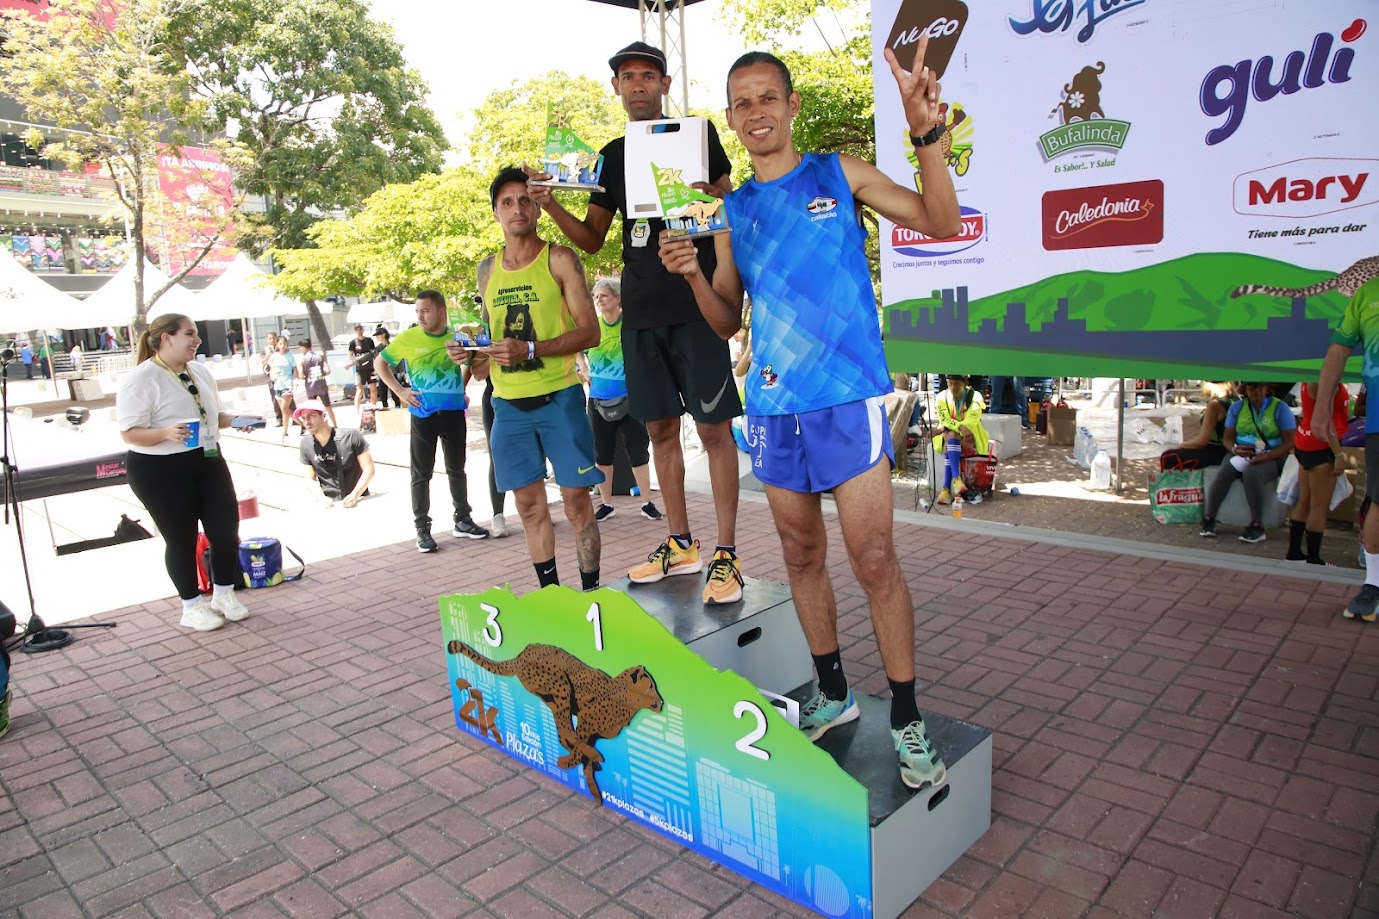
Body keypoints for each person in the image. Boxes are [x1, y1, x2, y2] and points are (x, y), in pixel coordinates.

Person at [659, 42, 960, 790]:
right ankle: (832, 691)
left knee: (874, 559)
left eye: (768, 97)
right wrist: (693, 273)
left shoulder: (838, 172)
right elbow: (726, 320)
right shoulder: (731, 211)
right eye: (742, 102)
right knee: (799, 556)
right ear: (731, 119)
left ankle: (907, 717)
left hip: (847, 399)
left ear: (791, 105)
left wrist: (925, 135)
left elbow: (940, 220)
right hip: (772, 407)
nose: (756, 111)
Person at [529, 40, 743, 606]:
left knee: (715, 431)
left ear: (665, 84)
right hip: (641, 313)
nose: (639, 85)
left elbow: (732, 207)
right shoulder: (611, 155)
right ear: (616, 87)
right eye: (629, 77)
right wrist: (550, 204)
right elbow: (593, 238)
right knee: (660, 432)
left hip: (698, 305)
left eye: (649, 76)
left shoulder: (698, 136)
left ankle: (727, 553)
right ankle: (681, 542)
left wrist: (714, 196)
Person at [469, 167, 601, 589]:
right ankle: (551, 596)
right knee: (528, 507)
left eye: (525, 200)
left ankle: (591, 593)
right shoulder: (486, 270)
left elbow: (591, 332)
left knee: (576, 503)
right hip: (507, 405)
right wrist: (469, 353)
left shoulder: (559, 258)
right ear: (495, 212)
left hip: (559, 398)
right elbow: (486, 350)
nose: (517, 209)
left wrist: (531, 349)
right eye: (507, 202)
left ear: (537, 208)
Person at [115, 313, 256, 631]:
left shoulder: (199, 371)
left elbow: (213, 416)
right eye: (189, 333)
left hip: (207, 459)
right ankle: (191, 606)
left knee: (225, 529)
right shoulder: (141, 378)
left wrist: (236, 420)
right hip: (159, 469)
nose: (197, 340)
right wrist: (166, 433)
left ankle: (224, 594)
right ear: (166, 338)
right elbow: (129, 433)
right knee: (181, 538)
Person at [375, 291, 489, 551]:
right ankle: (422, 529)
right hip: (423, 415)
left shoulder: (460, 333)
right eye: (417, 311)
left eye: (425, 311)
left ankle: (463, 519)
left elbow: (484, 354)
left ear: (441, 312)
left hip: (454, 412)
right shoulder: (409, 337)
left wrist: (468, 362)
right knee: (421, 473)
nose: (420, 316)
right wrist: (400, 391)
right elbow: (380, 363)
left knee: (457, 469)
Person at [1315, 276, 1379, 621]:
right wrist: (1322, 406)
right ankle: (1374, 585)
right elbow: (1339, 349)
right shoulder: (1367, 292)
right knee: (1378, 501)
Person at [577, 277, 662, 522]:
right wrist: (583, 368)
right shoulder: (592, 326)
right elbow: (578, 350)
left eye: (604, 295)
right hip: (598, 400)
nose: (599, 300)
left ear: (617, 298)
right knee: (602, 454)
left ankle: (646, 502)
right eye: (596, 296)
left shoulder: (631, 325)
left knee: (638, 451)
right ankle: (606, 504)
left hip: (630, 399)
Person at [1198, 381, 1296, 543]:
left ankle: (1257, 525)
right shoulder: (1237, 408)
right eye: (1251, 387)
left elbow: (1290, 441)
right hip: (1243, 452)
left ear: (1267, 388)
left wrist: (1269, 455)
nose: (1256, 392)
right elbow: (1227, 438)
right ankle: (1209, 518)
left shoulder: (1280, 408)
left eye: (1260, 387)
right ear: (1245, 389)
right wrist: (1235, 449)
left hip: (1273, 455)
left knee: (1252, 473)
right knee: (1225, 471)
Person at [1287, 381, 1347, 565]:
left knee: (1304, 501)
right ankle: (1313, 559)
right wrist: (1338, 455)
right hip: (1321, 446)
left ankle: (1294, 553)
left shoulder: (1309, 379)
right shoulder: (1326, 381)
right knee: (1319, 507)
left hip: (1305, 441)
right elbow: (1327, 421)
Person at [294, 399, 375, 508]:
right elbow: (309, 478)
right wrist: (321, 498)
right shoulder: (306, 443)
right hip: (330, 502)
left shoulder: (351, 436)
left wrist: (355, 495)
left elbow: (369, 468)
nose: (307, 421)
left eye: (311, 416)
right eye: (303, 418)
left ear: (324, 416)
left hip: (359, 499)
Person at [931, 374, 988, 505]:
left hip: (969, 436)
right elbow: (944, 419)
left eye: (957, 384)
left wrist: (961, 428)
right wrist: (960, 427)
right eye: (950, 383)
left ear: (965, 383)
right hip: (951, 434)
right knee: (951, 436)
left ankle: (946, 489)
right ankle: (956, 479)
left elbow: (972, 419)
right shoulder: (941, 397)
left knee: (951, 439)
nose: (953, 387)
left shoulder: (975, 397)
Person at [1160, 382, 1236, 471]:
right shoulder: (1235, 399)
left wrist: (1181, 445)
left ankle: (1182, 479)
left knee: (1168, 456)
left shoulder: (1215, 405)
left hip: (1221, 449)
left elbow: (1202, 441)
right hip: (1231, 446)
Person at [295, 338, 336, 428]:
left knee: (312, 409)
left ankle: (315, 426)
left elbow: (301, 375)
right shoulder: (320, 357)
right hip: (322, 385)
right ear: (311, 346)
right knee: (328, 407)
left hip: (310, 387)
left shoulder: (302, 360)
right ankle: (335, 424)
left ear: (302, 348)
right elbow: (327, 371)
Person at [266, 336, 296, 441]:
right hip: (278, 385)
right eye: (280, 344)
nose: (283, 346)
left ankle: (285, 432)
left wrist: (296, 381)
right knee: (285, 410)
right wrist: (272, 376)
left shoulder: (290, 356)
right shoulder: (274, 356)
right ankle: (302, 424)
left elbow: (295, 369)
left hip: (287, 384)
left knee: (284, 408)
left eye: (284, 344)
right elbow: (269, 367)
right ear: (277, 345)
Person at [347, 324, 377, 413]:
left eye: (360, 329)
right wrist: (358, 359)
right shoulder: (353, 342)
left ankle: (373, 408)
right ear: (355, 331)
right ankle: (357, 411)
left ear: (363, 330)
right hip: (360, 369)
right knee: (359, 390)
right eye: (357, 329)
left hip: (370, 368)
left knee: (373, 389)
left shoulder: (369, 340)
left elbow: (374, 353)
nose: (359, 331)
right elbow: (349, 356)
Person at [373, 327, 403, 409]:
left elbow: (399, 359)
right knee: (382, 391)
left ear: (383, 335)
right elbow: (375, 359)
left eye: (378, 335)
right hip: (382, 373)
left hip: (392, 372)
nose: (377, 337)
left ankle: (397, 406)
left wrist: (401, 372)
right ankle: (385, 406)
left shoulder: (392, 346)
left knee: (394, 390)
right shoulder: (378, 348)